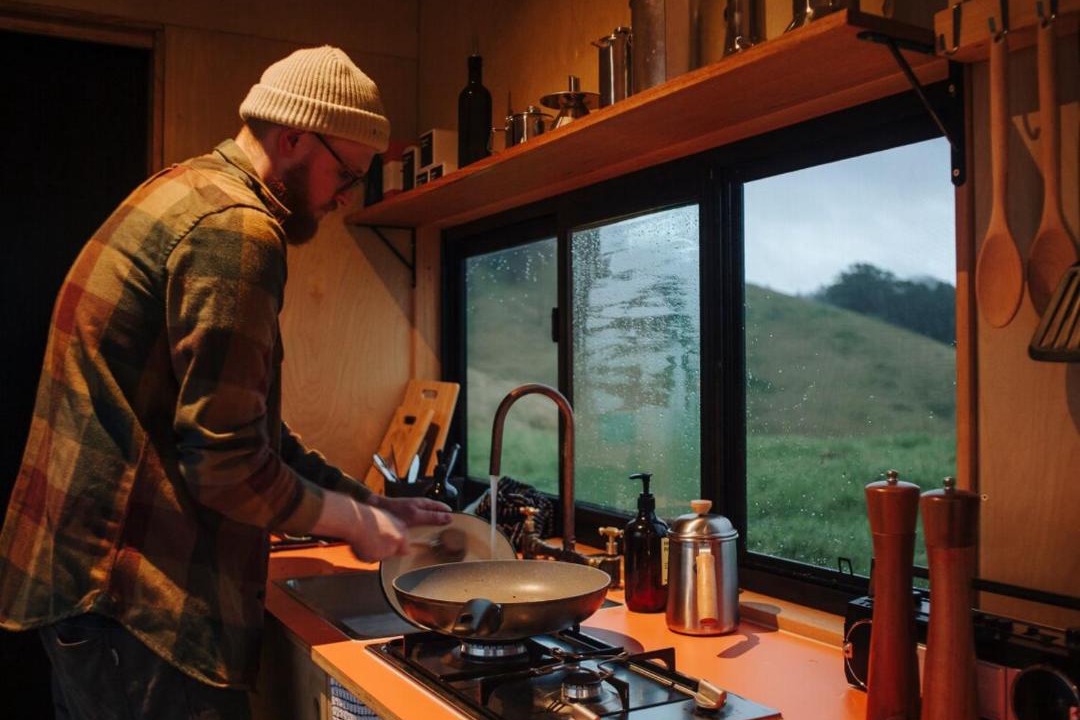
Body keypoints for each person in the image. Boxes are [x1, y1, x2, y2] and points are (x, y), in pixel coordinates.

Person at [0, 45, 451, 719]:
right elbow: (227, 465)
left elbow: (246, 429)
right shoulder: (236, 232)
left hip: (92, 591)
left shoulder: (186, 191)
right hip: (134, 602)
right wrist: (354, 522)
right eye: (345, 174)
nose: (345, 198)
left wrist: (371, 505)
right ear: (293, 135)